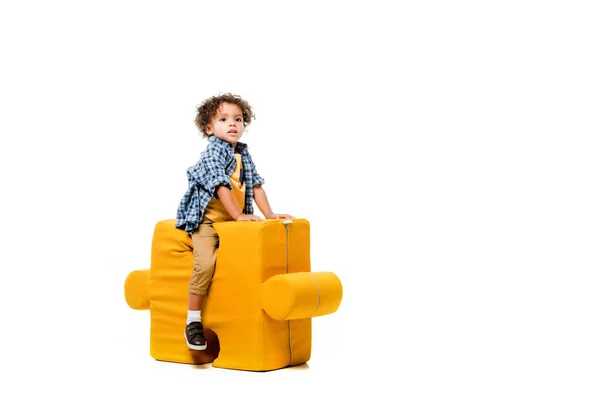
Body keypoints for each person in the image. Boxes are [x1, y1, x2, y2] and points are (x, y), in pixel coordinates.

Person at [176, 93, 293, 350]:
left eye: (238, 119)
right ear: (209, 128)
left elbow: (256, 185)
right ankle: (192, 321)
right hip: (208, 221)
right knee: (205, 263)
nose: (233, 124)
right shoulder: (213, 154)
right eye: (224, 119)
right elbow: (221, 187)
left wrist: (269, 213)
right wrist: (238, 215)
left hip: (230, 221)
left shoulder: (242, 153)